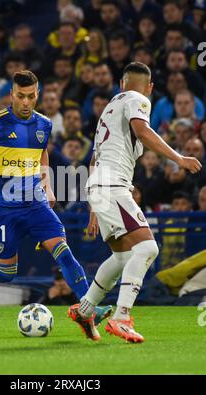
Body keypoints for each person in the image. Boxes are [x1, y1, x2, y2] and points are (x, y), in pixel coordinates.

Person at [0, 70, 112, 326]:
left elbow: (42, 154)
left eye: (31, 96)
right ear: (12, 95)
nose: (26, 102)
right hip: (3, 209)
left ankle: (88, 307)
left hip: (35, 204)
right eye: (21, 96)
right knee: (7, 271)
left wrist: (48, 185)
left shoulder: (44, 124)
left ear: (37, 94)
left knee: (64, 252)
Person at [68, 62, 202, 342]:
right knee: (148, 248)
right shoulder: (138, 100)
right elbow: (142, 131)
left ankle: (85, 309)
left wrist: (95, 205)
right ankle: (121, 317)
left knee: (122, 257)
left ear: (120, 84)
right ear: (150, 88)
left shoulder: (108, 109)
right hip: (112, 186)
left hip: (100, 187)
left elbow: (94, 159)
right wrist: (179, 158)